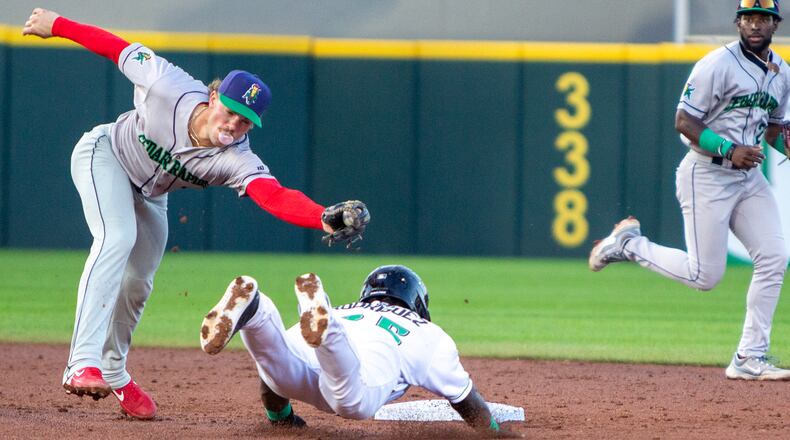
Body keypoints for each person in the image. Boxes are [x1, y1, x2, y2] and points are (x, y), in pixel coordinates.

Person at [22, 8, 369, 420]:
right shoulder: (166, 83)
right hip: (106, 155)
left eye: (245, 122)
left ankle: (114, 370)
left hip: (152, 194)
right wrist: (58, 26)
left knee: (139, 282)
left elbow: (272, 195)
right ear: (213, 97)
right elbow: (115, 48)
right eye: (230, 112)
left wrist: (322, 217)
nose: (234, 125)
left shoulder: (236, 158)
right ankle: (82, 362)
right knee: (116, 237)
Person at [589, 0, 790, 380]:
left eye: (763, 18)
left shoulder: (781, 72)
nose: (755, 24)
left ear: (775, 25)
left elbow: (775, 129)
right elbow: (683, 120)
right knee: (705, 277)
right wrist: (730, 149)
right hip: (707, 174)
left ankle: (749, 357)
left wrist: (783, 145)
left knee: (774, 257)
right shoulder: (717, 64)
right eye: (748, 17)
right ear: (738, 23)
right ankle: (628, 245)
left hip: (748, 179)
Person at [200, 265, 516, 437]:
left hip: (297, 366)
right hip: (357, 371)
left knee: (276, 362)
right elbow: (465, 400)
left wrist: (281, 419)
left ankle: (257, 310)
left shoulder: (348, 309)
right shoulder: (427, 333)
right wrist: (494, 433)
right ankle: (327, 333)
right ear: (416, 301)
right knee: (352, 400)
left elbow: (270, 386)